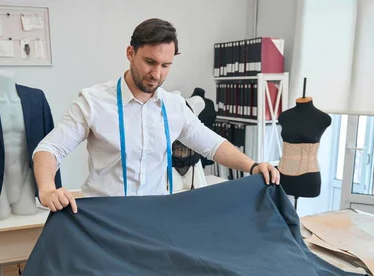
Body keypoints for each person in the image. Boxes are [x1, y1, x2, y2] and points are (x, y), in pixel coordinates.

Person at [32, 18, 279, 213]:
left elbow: (213, 146)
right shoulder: (93, 102)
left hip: (155, 216)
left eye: (165, 65)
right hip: (105, 218)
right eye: (150, 62)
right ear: (130, 53)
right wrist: (47, 189)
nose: (156, 74)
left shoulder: (174, 106)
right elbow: (49, 149)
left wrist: (253, 166)